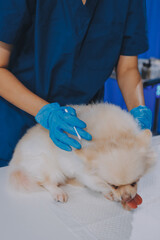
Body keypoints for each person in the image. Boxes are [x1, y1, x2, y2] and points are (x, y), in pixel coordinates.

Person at [0, 0, 152, 167]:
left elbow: (127, 68)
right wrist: (47, 113)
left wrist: (139, 111)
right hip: (17, 127)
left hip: (79, 132)